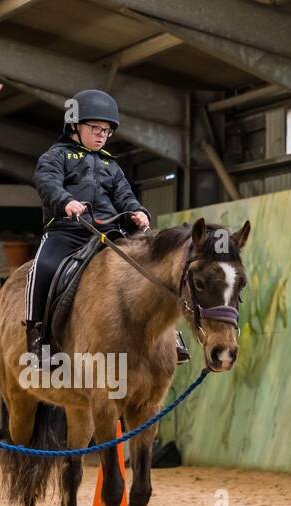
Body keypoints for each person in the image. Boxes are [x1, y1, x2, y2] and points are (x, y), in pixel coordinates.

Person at [27, 89, 188, 363]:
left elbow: (124, 196)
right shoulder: (55, 157)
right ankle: (37, 334)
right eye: (95, 127)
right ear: (74, 125)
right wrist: (65, 201)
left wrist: (136, 211)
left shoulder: (110, 164)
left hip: (108, 235)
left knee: (149, 269)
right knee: (43, 267)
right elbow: (47, 182)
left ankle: (170, 337)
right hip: (68, 231)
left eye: (107, 130)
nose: (102, 134)